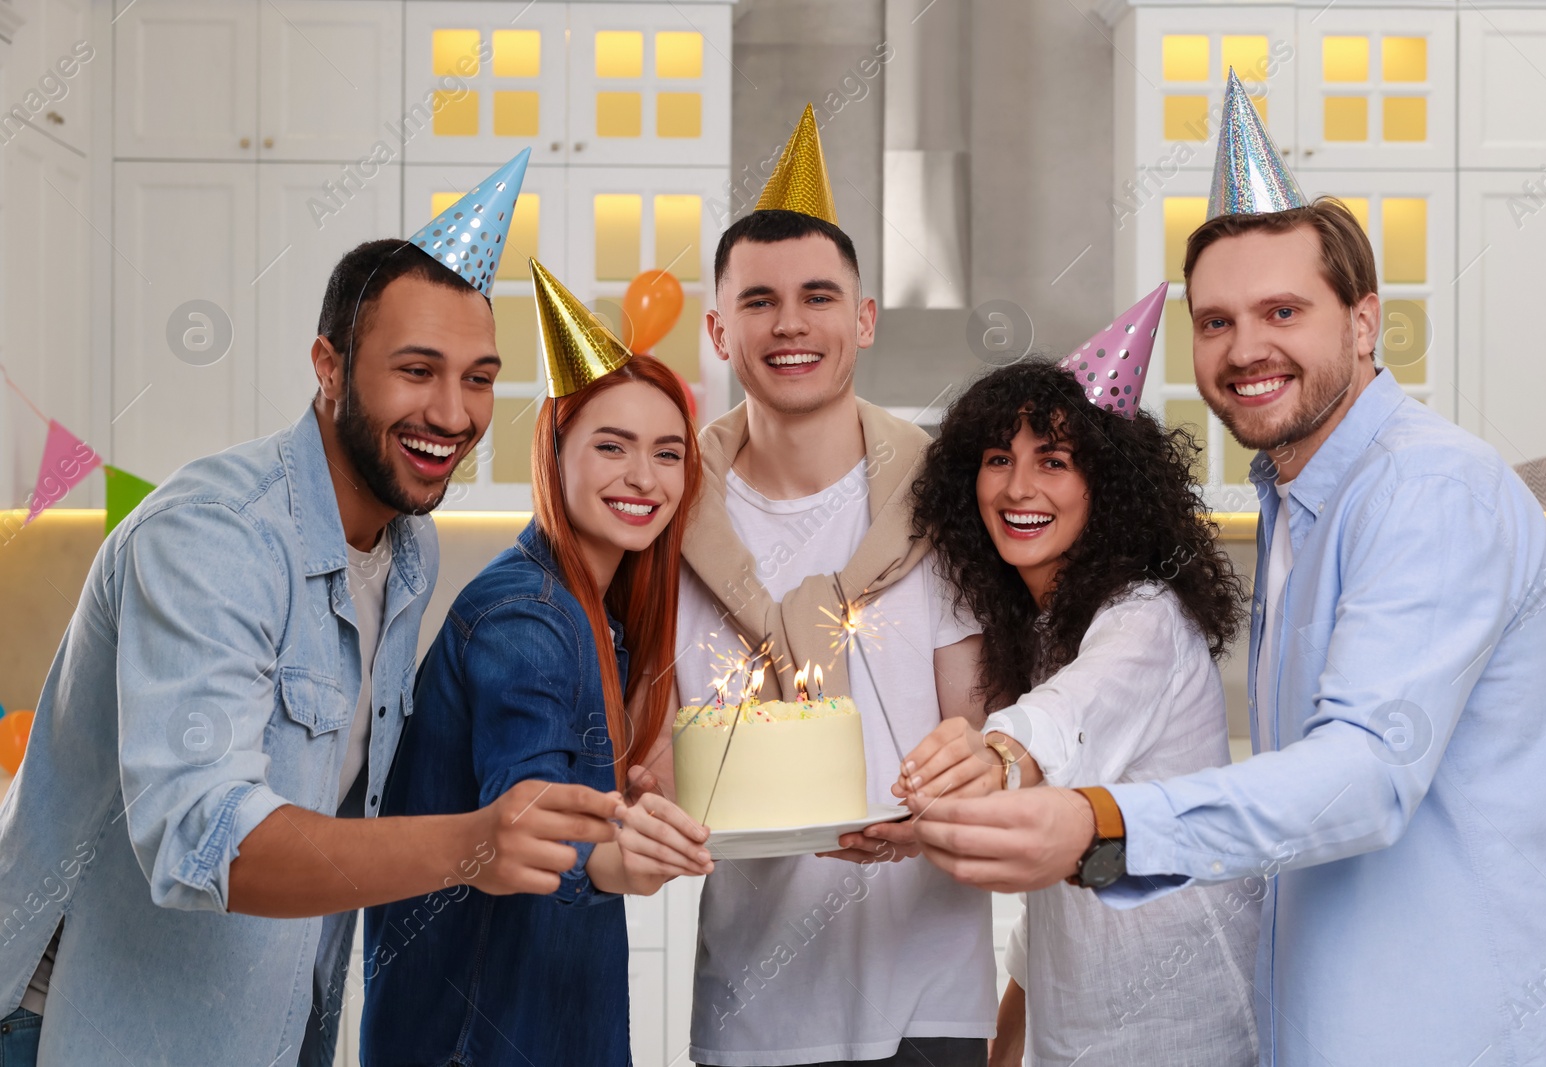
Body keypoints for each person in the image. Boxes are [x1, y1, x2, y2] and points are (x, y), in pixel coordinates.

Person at [907, 72, 1546, 1064]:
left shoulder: (1428, 489)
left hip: (1462, 1029)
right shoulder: (1295, 501)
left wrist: (1101, 823)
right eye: (1218, 319)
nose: (1244, 347)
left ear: (1363, 322)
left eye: (1282, 310)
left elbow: (1363, 773)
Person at [0, 154, 621, 1067]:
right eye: (417, 370)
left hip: (268, 1024)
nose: (453, 412)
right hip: (84, 1026)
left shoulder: (407, 546)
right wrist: (472, 844)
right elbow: (204, 837)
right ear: (328, 367)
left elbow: (354, 801)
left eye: (480, 378)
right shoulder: (213, 537)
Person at [647, 104, 995, 1067]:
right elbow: (649, 748)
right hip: (755, 1001)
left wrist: (930, 818)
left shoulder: (945, 506)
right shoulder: (667, 519)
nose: (790, 323)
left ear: (864, 317)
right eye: (758, 301)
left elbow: (971, 724)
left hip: (932, 991)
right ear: (718, 330)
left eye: (818, 295)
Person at [361, 265, 713, 1064]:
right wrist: (628, 860)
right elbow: (529, 821)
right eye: (612, 446)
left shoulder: (596, 610)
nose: (643, 477)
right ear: (554, 454)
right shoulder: (526, 615)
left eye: (666, 453)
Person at [898, 350, 1259, 1065]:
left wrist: (993, 751)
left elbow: (1062, 719)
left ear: (1109, 485)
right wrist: (1010, 1040)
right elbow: (1063, 879)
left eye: (1054, 460)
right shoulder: (1036, 632)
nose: (1019, 486)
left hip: (1187, 1025)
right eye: (999, 457)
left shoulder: (1143, 616)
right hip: (1076, 1030)